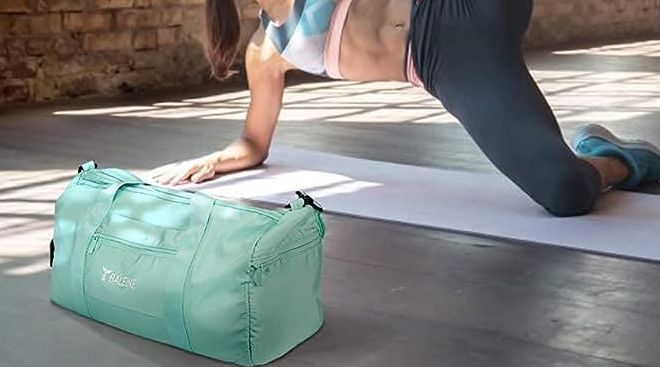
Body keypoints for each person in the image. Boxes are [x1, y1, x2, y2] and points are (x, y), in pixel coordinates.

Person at [152, 0, 660, 217]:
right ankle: (612, 155)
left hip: (459, 6)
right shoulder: (266, 51)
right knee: (565, 192)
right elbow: (255, 142)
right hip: (449, 64)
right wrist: (219, 159)